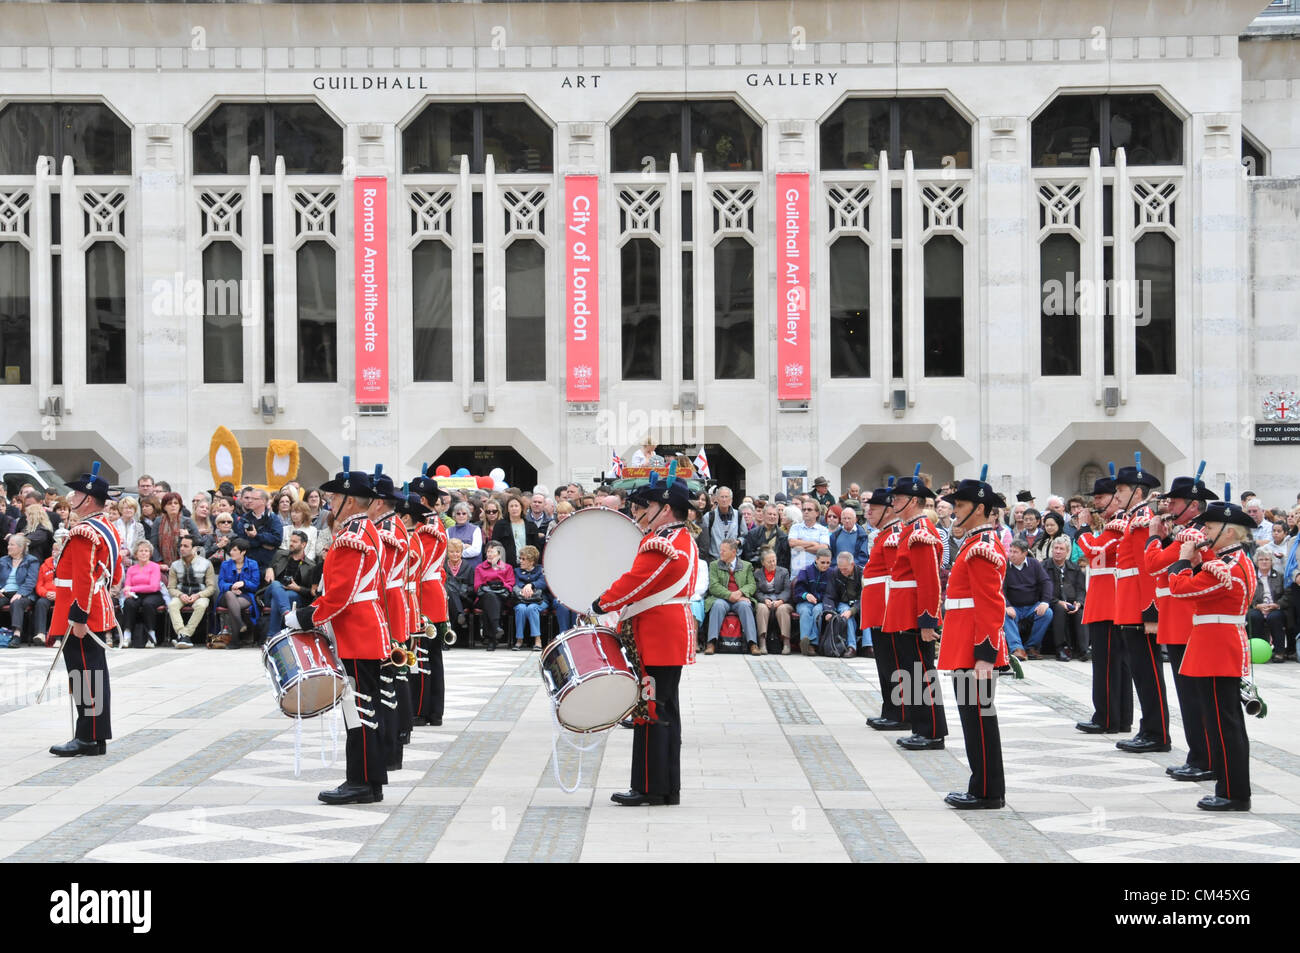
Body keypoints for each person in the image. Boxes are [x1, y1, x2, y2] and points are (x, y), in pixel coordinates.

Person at [285, 462, 391, 805]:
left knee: (357, 709)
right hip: (364, 628)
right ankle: (370, 779)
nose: (330, 501)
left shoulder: (352, 538)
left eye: (336, 496)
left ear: (351, 501)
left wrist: (302, 618)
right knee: (365, 708)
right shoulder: (364, 531)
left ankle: (360, 781)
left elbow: (340, 596)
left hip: (356, 631)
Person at [593, 473, 700, 806]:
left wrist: (601, 602)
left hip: (658, 635)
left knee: (652, 709)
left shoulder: (662, 543)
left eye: (647, 505)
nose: (640, 511)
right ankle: (665, 787)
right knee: (663, 708)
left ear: (665, 509)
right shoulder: (681, 538)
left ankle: (651, 787)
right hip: (665, 633)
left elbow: (636, 581)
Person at [1166, 498, 1258, 811]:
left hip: (1217, 647)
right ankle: (1230, 786)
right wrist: (1202, 553)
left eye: (1211, 527)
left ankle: (1233, 792)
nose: (1204, 531)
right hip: (1217, 643)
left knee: (1223, 722)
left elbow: (1179, 588)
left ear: (1229, 533)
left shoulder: (1225, 569)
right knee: (1224, 721)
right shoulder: (1232, 561)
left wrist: (1181, 558)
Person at [936, 475, 1009, 810]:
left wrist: (984, 654)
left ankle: (987, 791)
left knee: (978, 720)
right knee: (974, 720)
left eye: (961, 506)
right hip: (964, 641)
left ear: (980, 509)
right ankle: (983, 786)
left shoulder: (981, 548)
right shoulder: (973, 543)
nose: (955, 512)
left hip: (974, 647)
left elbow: (991, 605)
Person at [1145, 471, 1218, 782]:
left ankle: (1202, 757)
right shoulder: (1185, 531)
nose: (1169, 505)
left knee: (1192, 696)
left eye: (1175, 500)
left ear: (1193, 504)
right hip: (1178, 620)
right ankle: (1199, 755)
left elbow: (1152, 564)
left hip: (1185, 622)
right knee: (1190, 695)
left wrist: (1152, 535)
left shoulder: (1190, 535)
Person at [48, 464, 123, 757]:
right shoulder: (107, 528)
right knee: (93, 674)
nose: (71, 497)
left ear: (88, 500)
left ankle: (87, 738)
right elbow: (113, 575)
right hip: (97, 606)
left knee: (84, 676)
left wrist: (78, 616)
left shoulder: (84, 532)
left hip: (80, 611)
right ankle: (95, 736)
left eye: (76, 493)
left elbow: (83, 577)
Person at [881, 469, 948, 750]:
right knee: (910, 672)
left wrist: (928, 620)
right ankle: (921, 726)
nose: (893, 502)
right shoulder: (910, 529)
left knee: (921, 672)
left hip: (914, 613)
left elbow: (929, 581)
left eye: (898, 498)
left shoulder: (921, 532)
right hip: (903, 610)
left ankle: (931, 730)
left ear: (912, 500)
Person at [1110, 461, 1170, 755]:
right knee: (1140, 671)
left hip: (1139, 607)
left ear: (1137, 491)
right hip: (1129, 605)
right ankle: (1149, 727)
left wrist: (1151, 612)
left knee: (1148, 672)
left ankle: (1157, 733)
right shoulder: (1135, 517)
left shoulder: (1144, 519)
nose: (1116, 494)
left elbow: (1150, 569)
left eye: (1121, 489)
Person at [1074, 468, 1135, 736]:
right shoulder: (1112, 525)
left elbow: (1093, 551)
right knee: (1115, 664)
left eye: (1100, 498)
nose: (1095, 503)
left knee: (1108, 664)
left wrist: (1083, 529)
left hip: (1109, 601)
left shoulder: (1117, 524)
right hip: (1104, 598)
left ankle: (1107, 717)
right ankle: (1118, 717)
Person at [368, 470, 414, 770]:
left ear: (380, 503)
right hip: (391, 600)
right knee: (394, 675)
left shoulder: (388, 530)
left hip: (388, 602)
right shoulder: (392, 526)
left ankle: (396, 737)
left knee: (391, 676)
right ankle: (399, 731)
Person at [861, 480, 908, 731]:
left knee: (893, 664)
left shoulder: (892, 537)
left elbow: (894, 579)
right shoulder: (884, 535)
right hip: (880, 609)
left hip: (887, 610)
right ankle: (890, 710)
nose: (869, 512)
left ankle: (898, 712)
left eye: (874, 508)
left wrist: (892, 614)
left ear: (889, 510)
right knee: (885, 663)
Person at [409, 474, 448, 727]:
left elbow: (417, 565)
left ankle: (424, 711)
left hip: (426, 594)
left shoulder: (428, 528)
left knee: (424, 654)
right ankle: (432, 711)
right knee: (428, 655)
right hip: (429, 591)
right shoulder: (429, 524)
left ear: (422, 500)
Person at [703, 538, 759, 656]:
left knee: (745, 606)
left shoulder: (746, 565)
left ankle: (752, 643)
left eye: (724, 551)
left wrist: (740, 593)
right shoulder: (714, 565)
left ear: (734, 552)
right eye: (720, 550)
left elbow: (752, 585)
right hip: (722, 598)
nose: (720, 553)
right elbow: (714, 586)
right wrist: (730, 595)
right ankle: (711, 642)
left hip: (740, 599)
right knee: (717, 605)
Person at [1001, 541, 1052, 659]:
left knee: (1047, 613)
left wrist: (1045, 602)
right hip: (1013, 606)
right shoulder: (1005, 565)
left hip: (1031, 606)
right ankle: (1017, 648)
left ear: (1024, 553)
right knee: (1004, 614)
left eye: (1015, 552)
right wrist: (1007, 605)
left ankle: (1031, 647)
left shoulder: (1034, 564)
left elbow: (1046, 582)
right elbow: (1000, 588)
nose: (1011, 555)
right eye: (1011, 551)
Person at [168, 533, 216, 649]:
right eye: (181, 546)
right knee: (172, 604)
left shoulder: (206, 564)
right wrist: (180, 595)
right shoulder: (175, 565)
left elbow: (211, 587)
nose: (182, 549)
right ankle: (182, 633)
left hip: (199, 594)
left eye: (186, 546)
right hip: (181, 594)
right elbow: (171, 588)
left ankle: (185, 634)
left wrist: (199, 595)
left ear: (194, 548)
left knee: (201, 605)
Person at [265, 530, 316, 636]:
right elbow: (266, 574)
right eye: (290, 541)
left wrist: (297, 588)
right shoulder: (280, 554)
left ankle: (271, 636)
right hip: (272, 591)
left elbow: (311, 592)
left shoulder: (311, 566)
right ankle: (287, 614)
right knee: (275, 584)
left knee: (280, 598)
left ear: (303, 544)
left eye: (295, 541)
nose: (291, 544)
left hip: (292, 596)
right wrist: (269, 568)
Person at [1044, 537, 1087, 660]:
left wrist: (1079, 602)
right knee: (1059, 609)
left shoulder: (1075, 568)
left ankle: (1082, 650)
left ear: (1067, 551)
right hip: (1052, 602)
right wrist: (1057, 601)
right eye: (1055, 548)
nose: (1058, 551)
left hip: (1071, 601)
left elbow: (1081, 589)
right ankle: (1060, 649)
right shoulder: (1044, 567)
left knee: (1080, 612)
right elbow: (1042, 590)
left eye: (1061, 549)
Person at [214, 537, 261, 648]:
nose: (231, 552)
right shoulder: (225, 564)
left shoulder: (253, 564)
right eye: (231, 550)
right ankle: (240, 625)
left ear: (243, 552)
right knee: (230, 596)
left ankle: (235, 640)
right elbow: (221, 583)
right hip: (226, 596)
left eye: (235, 550)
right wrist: (231, 586)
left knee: (234, 605)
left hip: (245, 595)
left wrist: (243, 583)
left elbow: (255, 585)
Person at [119, 540, 164, 648]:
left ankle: (151, 636)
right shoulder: (131, 569)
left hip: (153, 594)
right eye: (141, 551)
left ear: (150, 553)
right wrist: (129, 592)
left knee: (148, 603)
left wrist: (133, 588)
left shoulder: (155, 567)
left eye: (146, 551)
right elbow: (126, 588)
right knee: (129, 603)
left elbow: (153, 587)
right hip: (136, 596)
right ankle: (127, 635)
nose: (143, 553)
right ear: (136, 554)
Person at [474, 542, 515, 651]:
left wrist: (498, 586)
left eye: (492, 552)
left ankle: (491, 639)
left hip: (501, 598)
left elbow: (510, 584)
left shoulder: (507, 567)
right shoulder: (479, 568)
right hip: (483, 597)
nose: (489, 554)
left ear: (499, 554)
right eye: (488, 551)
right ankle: (495, 629)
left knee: (492, 601)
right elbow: (477, 586)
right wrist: (491, 589)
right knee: (490, 597)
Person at [0, 533, 40, 645]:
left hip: (24, 593)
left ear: (21, 548)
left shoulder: (31, 561)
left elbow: (31, 580)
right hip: (5, 592)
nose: (8, 547)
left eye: (12, 545)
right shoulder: (3, 560)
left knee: (16, 602)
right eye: (8, 544)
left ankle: (17, 635)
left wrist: (20, 593)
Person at [32, 527, 69, 647]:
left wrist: (58, 594)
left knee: (61, 605)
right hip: (48, 594)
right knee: (41, 603)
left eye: (57, 550)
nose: (54, 553)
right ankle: (41, 633)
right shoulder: (45, 564)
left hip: (62, 594)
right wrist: (45, 593)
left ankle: (58, 638)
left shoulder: (67, 564)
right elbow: (39, 584)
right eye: (53, 550)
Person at [823, 551, 862, 658]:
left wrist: (852, 610)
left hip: (859, 603)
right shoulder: (835, 573)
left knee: (866, 612)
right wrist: (828, 611)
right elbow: (829, 595)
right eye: (841, 569)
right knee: (845, 614)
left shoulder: (862, 573)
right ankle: (852, 647)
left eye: (845, 569)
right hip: (842, 603)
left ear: (852, 564)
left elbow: (865, 596)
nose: (843, 572)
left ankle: (868, 646)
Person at [753, 547, 792, 654]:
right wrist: (764, 600)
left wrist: (780, 600)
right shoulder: (757, 574)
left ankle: (786, 643)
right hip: (765, 601)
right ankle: (762, 642)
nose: (772, 563)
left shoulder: (784, 572)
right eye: (769, 561)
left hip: (781, 601)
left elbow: (787, 590)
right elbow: (756, 591)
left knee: (782, 609)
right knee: (761, 608)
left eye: (774, 560)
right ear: (763, 563)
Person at [794, 549, 833, 655]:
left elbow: (830, 594)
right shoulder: (805, 571)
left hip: (820, 603)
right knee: (806, 612)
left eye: (828, 563)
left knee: (817, 612)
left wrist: (820, 599)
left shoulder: (831, 573)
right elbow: (797, 591)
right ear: (816, 560)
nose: (825, 565)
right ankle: (804, 641)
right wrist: (806, 595)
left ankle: (812, 644)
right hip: (804, 602)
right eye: (823, 562)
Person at [511, 545, 548, 651]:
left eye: (524, 559)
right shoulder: (517, 571)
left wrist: (531, 585)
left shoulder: (541, 570)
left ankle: (537, 640)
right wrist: (525, 588)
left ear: (532, 561)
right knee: (520, 608)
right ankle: (519, 639)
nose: (520, 561)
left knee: (532, 608)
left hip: (540, 600)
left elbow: (543, 583)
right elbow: (516, 583)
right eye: (520, 558)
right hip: (521, 599)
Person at [742, 502, 791, 572]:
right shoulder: (752, 534)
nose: (772, 516)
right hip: (757, 573)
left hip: (777, 575)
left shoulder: (783, 537)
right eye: (770, 514)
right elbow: (748, 556)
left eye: (775, 514)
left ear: (778, 517)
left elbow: (785, 561)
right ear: (764, 515)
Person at [492, 495, 539, 567]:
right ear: (507, 509)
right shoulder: (500, 525)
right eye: (511, 506)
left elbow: (536, 547)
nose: (514, 508)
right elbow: (495, 546)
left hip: (528, 565)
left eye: (516, 506)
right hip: (507, 565)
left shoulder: (531, 526)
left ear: (521, 508)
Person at [447, 503, 484, 572]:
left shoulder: (476, 529)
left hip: (472, 569)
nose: (461, 516)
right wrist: (464, 546)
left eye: (464, 513)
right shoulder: (449, 530)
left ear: (468, 515)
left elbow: (476, 550)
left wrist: (456, 552)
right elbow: (448, 551)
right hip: (453, 570)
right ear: (454, 516)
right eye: (458, 513)